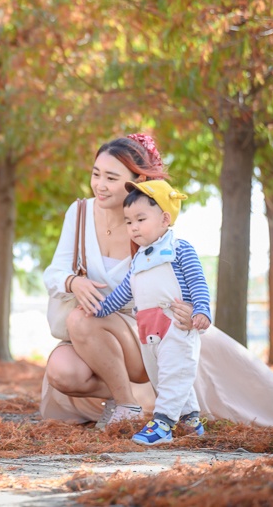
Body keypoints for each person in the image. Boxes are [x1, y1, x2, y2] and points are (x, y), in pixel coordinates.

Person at [41, 133, 273, 429]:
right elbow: (54, 272)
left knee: (81, 320)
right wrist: (72, 282)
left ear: (135, 181)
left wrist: (192, 308)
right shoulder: (80, 212)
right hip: (92, 334)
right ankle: (144, 393)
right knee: (62, 371)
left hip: (144, 333)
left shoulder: (150, 221)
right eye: (96, 174)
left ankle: (127, 404)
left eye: (111, 178)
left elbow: (181, 276)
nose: (100, 185)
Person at [95, 179, 210, 445]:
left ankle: (163, 424)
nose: (133, 227)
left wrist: (201, 310)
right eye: (128, 221)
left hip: (176, 325)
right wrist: (99, 309)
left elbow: (198, 283)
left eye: (140, 219)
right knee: (163, 375)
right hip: (148, 330)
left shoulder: (179, 249)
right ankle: (191, 419)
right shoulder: (139, 259)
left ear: (164, 219)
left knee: (174, 371)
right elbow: (125, 291)